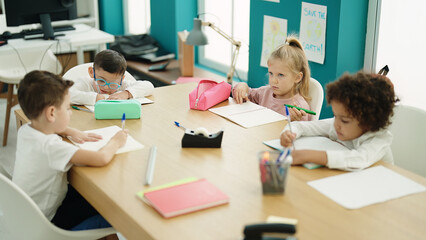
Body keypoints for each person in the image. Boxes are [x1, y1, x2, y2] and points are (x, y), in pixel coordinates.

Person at [13, 70, 128, 231]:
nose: (70, 112)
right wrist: (116, 141)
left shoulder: (26, 130)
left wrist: (70, 131)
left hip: (25, 214)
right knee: (113, 206)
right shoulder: (53, 148)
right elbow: (101, 158)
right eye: (67, 108)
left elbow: (50, 128)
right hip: (47, 223)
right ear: (51, 113)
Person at [280, 72, 399, 171]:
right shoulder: (338, 124)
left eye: (345, 120)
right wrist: (289, 133)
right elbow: (303, 127)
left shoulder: (379, 139)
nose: (336, 124)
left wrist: (308, 155)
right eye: (335, 116)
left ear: (370, 121)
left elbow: (359, 159)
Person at [232, 36, 312, 121]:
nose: (273, 80)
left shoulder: (300, 108)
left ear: (297, 77)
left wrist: (293, 121)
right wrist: (242, 86)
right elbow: (246, 95)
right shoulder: (265, 93)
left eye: (280, 75)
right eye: (271, 73)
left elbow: (302, 132)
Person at [69, 49, 154, 105]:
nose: (106, 87)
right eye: (101, 81)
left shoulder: (122, 86)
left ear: (121, 79)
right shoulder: (85, 83)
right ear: (92, 72)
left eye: (113, 84)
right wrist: (96, 98)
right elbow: (67, 94)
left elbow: (149, 86)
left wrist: (126, 93)